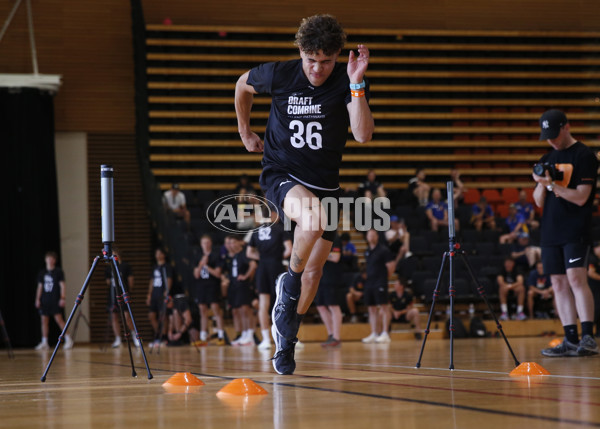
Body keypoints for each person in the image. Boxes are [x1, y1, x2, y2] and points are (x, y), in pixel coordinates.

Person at [235, 14, 374, 374]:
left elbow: (362, 134)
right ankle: (288, 283)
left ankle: (287, 338)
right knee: (311, 220)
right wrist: (245, 131)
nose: (317, 69)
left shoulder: (347, 81)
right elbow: (242, 85)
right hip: (282, 173)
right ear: (300, 51)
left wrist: (356, 83)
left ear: (338, 56)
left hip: (326, 185)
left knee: (315, 274)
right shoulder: (280, 74)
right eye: (311, 60)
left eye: (326, 62)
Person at [533, 109, 599, 356]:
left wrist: (552, 185)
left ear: (566, 127)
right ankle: (570, 338)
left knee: (575, 280)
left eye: (554, 134)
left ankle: (588, 337)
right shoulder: (546, 158)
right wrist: (541, 184)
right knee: (558, 284)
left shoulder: (584, 156)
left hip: (575, 228)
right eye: (546, 136)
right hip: (551, 231)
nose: (551, 140)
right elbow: (538, 201)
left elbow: (582, 198)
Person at [247, 210, 293, 350]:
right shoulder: (279, 229)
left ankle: (266, 340)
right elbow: (289, 250)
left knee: (263, 303)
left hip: (262, 268)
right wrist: (278, 257)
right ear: (274, 215)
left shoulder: (256, 231)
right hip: (276, 266)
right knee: (282, 301)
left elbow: (249, 253)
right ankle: (288, 338)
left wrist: (262, 258)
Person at [361, 229, 396, 344]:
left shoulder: (383, 250)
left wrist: (384, 278)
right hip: (369, 283)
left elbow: (391, 266)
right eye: (369, 235)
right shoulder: (367, 251)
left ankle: (385, 333)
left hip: (380, 282)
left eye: (373, 235)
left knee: (384, 307)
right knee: (371, 309)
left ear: (377, 236)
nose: (371, 237)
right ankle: (374, 333)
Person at [34, 251, 73, 350]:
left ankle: (68, 338)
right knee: (44, 321)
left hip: (55, 299)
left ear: (55, 260)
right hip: (45, 299)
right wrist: (38, 299)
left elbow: (62, 285)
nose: (50, 260)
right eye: (48, 258)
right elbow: (40, 287)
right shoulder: (42, 273)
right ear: (45, 260)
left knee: (59, 319)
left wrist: (62, 297)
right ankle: (44, 342)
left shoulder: (58, 272)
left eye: (52, 259)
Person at [193, 235, 226, 345]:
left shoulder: (216, 256)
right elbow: (196, 275)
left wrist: (206, 266)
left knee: (215, 309)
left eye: (207, 242)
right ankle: (203, 337)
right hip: (201, 285)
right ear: (201, 244)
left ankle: (221, 336)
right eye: (203, 243)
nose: (206, 245)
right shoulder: (198, 256)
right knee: (202, 310)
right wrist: (201, 264)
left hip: (212, 285)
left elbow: (217, 273)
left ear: (210, 243)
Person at [104, 248, 139, 348]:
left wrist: (128, 291)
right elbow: (108, 282)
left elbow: (130, 281)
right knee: (114, 317)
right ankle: (118, 339)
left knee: (127, 317)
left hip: (123, 294)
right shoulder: (109, 268)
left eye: (114, 254)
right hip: (113, 295)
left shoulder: (125, 266)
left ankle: (134, 336)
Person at [226, 236, 257, 346]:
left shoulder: (244, 254)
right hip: (235, 286)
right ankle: (244, 334)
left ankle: (250, 335)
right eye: (230, 243)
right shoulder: (235, 256)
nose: (232, 245)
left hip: (243, 285)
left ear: (239, 243)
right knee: (239, 311)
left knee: (246, 310)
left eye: (234, 242)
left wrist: (246, 276)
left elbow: (253, 265)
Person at [315, 235, 344, 347]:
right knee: (320, 306)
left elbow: (336, 257)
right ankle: (331, 334)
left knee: (333, 305)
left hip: (331, 277)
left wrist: (319, 253)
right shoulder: (317, 238)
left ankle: (336, 337)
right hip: (320, 277)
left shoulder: (334, 238)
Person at [146, 247, 173, 347]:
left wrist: (167, 291)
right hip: (155, 294)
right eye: (156, 253)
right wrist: (149, 294)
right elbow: (151, 281)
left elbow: (169, 279)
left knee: (163, 315)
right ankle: (159, 335)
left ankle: (164, 337)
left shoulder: (167, 267)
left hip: (162, 294)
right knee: (151, 315)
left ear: (163, 255)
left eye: (159, 253)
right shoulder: (155, 267)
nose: (157, 255)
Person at [586, 242, 600, 336]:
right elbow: (591, 273)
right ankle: (588, 333)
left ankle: (598, 332)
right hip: (593, 287)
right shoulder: (592, 258)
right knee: (596, 309)